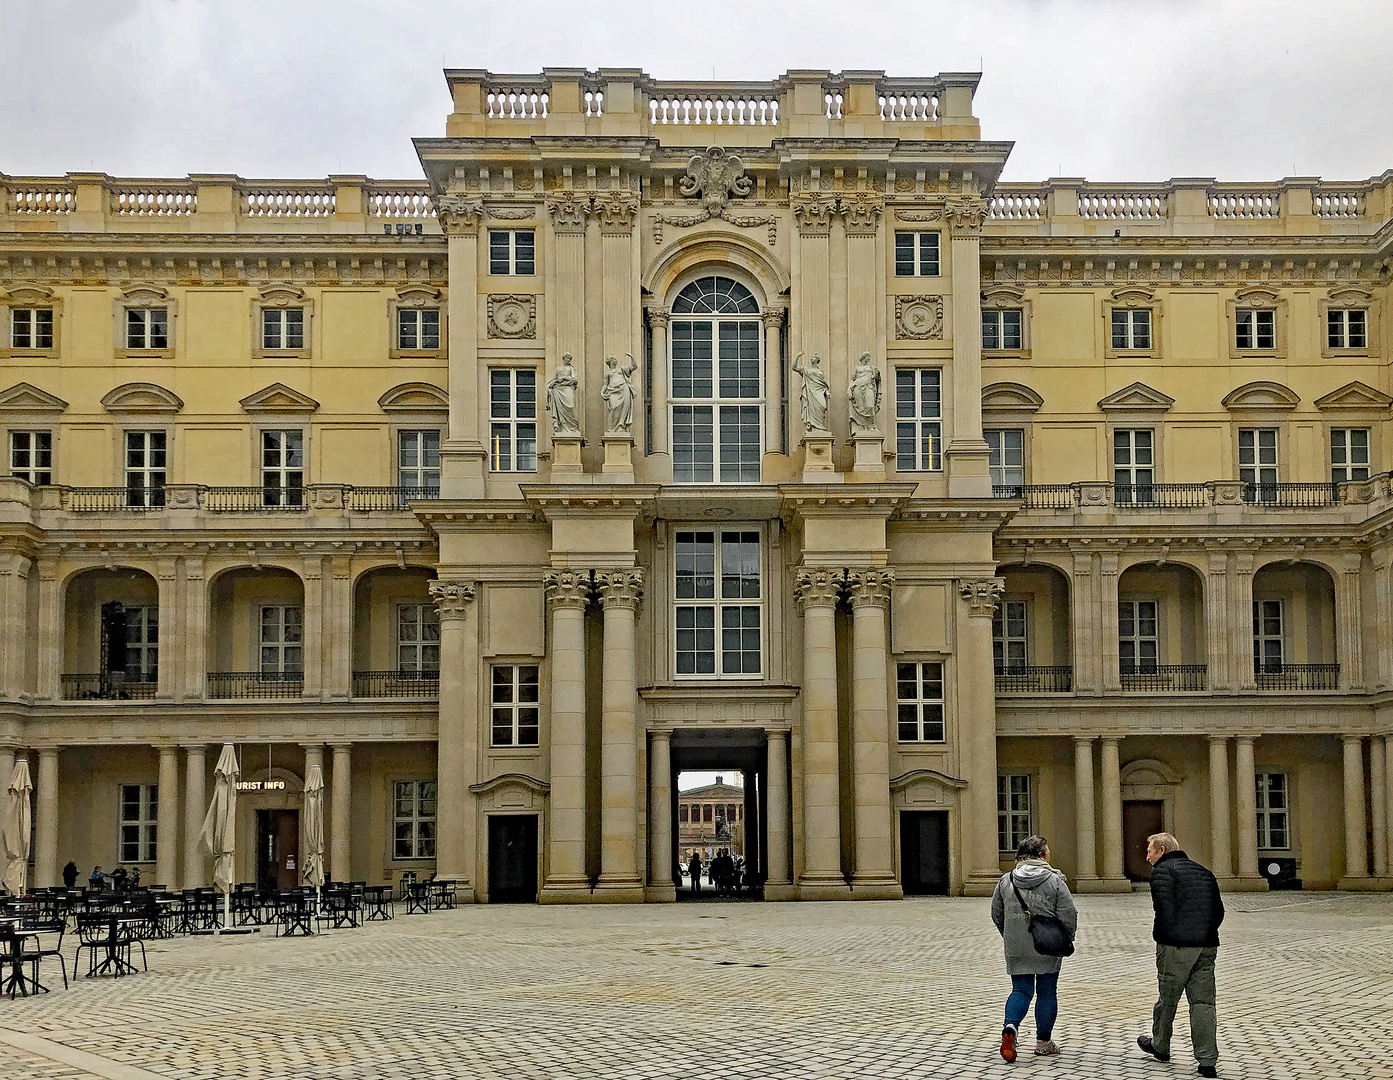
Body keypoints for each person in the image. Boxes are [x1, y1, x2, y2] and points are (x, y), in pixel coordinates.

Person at [1137, 832, 1224, 1079]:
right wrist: (1206, 932)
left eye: (1150, 851)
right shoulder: (1203, 871)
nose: (1147, 857)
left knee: (1168, 999)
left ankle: (1160, 1046)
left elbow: (1163, 909)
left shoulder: (1163, 872)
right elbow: (1218, 911)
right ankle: (1207, 1060)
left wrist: (1167, 935)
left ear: (1162, 851)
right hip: (1206, 945)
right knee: (1204, 1003)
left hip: (1175, 946)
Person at [991, 835, 1077, 1062]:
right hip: (1048, 944)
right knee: (1047, 991)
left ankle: (1010, 1027)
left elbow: (996, 913)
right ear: (1041, 855)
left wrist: (1009, 934)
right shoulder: (1055, 880)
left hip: (1016, 945)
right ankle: (1044, 1042)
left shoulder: (1006, 880)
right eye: (1047, 852)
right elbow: (1069, 913)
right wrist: (1066, 938)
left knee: (1021, 990)